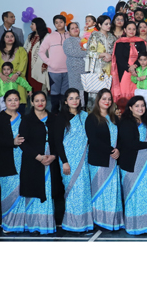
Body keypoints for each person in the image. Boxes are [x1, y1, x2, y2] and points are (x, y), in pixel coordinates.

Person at [18, 91, 60, 234]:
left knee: (49, 190)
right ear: (32, 103)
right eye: (37, 100)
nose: (40, 103)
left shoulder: (53, 119)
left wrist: (53, 156)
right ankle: (34, 225)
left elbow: (58, 141)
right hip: (33, 160)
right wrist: (38, 157)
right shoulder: (27, 120)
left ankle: (47, 224)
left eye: (43, 100)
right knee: (34, 190)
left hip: (50, 160)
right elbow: (22, 143)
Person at [54, 88, 93, 233]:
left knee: (83, 190)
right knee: (72, 191)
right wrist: (64, 161)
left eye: (77, 98)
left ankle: (85, 222)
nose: (75, 101)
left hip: (83, 159)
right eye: (71, 98)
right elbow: (58, 142)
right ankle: (72, 223)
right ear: (65, 101)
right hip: (68, 161)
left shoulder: (85, 116)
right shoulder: (61, 118)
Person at [118, 96, 147, 235]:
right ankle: (134, 226)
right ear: (130, 108)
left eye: (142, 105)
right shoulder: (125, 123)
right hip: (132, 164)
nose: (140, 108)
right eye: (137, 106)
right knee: (133, 194)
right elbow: (129, 144)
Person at [85, 89, 124, 231]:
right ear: (98, 101)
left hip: (113, 160)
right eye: (104, 99)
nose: (107, 101)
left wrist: (118, 149)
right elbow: (93, 140)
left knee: (112, 190)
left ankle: (113, 220)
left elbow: (120, 138)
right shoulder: (92, 118)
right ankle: (101, 220)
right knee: (100, 191)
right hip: (99, 161)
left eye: (109, 99)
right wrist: (111, 151)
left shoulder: (114, 118)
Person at [0, 90, 26, 232]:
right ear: (5, 102)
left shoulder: (24, 119)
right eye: (10, 100)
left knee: (21, 190)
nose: (13, 102)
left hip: (22, 160)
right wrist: (12, 142)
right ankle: (9, 224)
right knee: (9, 192)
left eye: (16, 100)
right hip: (6, 161)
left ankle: (21, 223)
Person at [111, 21, 147, 109]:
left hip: (138, 71)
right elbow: (119, 58)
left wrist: (134, 66)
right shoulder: (120, 42)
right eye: (129, 29)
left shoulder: (141, 42)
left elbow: (143, 56)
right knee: (124, 93)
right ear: (125, 30)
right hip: (124, 72)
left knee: (136, 93)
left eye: (134, 29)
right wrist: (129, 69)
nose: (131, 31)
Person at [38, 15, 71, 113]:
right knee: (55, 93)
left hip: (68, 70)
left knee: (65, 93)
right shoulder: (50, 37)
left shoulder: (70, 35)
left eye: (61, 22)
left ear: (65, 23)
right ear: (54, 24)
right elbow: (41, 51)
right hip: (54, 71)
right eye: (56, 22)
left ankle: (64, 112)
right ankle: (55, 113)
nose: (59, 24)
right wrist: (49, 62)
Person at [86, 15, 117, 105]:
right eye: (106, 24)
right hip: (98, 68)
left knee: (109, 92)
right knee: (97, 92)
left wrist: (111, 56)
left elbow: (115, 52)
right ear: (99, 25)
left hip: (110, 68)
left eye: (109, 24)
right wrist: (103, 54)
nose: (109, 26)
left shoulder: (112, 37)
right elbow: (89, 52)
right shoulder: (95, 35)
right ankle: (94, 116)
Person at [0, 30, 29, 104]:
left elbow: (23, 63)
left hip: (18, 79)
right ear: (3, 39)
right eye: (7, 36)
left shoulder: (21, 50)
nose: (10, 38)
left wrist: (16, 74)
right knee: (4, 103)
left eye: (12, 36)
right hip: (3, 80)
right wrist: (1, 76)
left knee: (19, 101)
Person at [62, 22, 89, 106]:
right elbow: (73, 52)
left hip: (86, 70)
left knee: (86, 91)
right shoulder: (68, 41)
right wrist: (88, 52)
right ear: (68, 32)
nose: (75, 29)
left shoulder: (84, 39)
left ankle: (85, 109)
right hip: (75, 71)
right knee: (77, 91)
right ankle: (77, 108)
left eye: (76, 27)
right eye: (72, 28)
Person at [25, 18, 51, 94]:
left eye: (32, 24)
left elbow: (50, 52)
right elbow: (25, 48)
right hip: (28, 64)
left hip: (40, 65)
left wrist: (45, 64)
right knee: (29, 87)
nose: (30, 26)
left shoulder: (47, 36)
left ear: (38, 25)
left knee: (40, 86)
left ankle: (41, 104)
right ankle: (32, 104)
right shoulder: (30, 36)